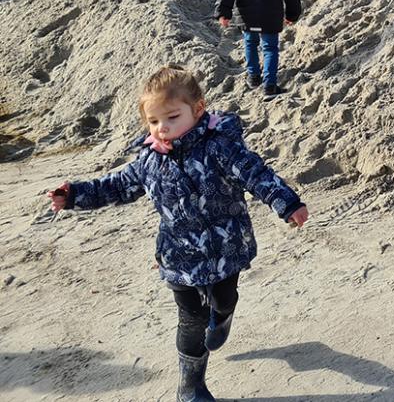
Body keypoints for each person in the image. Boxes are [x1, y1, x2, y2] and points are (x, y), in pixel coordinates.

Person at [46, 66, 308, 402]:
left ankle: (223, 316)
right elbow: (117, 185)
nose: (163, 128)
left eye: (172, 117)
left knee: (224, 299)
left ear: (198, 109)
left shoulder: (220, 148)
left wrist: (288, 204)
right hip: (178, 255)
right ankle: (190, 387)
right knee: (191, 319)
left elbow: (256, 174)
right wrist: (73, 196)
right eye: (154, 121)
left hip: (225, 249)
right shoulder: (149, 161)